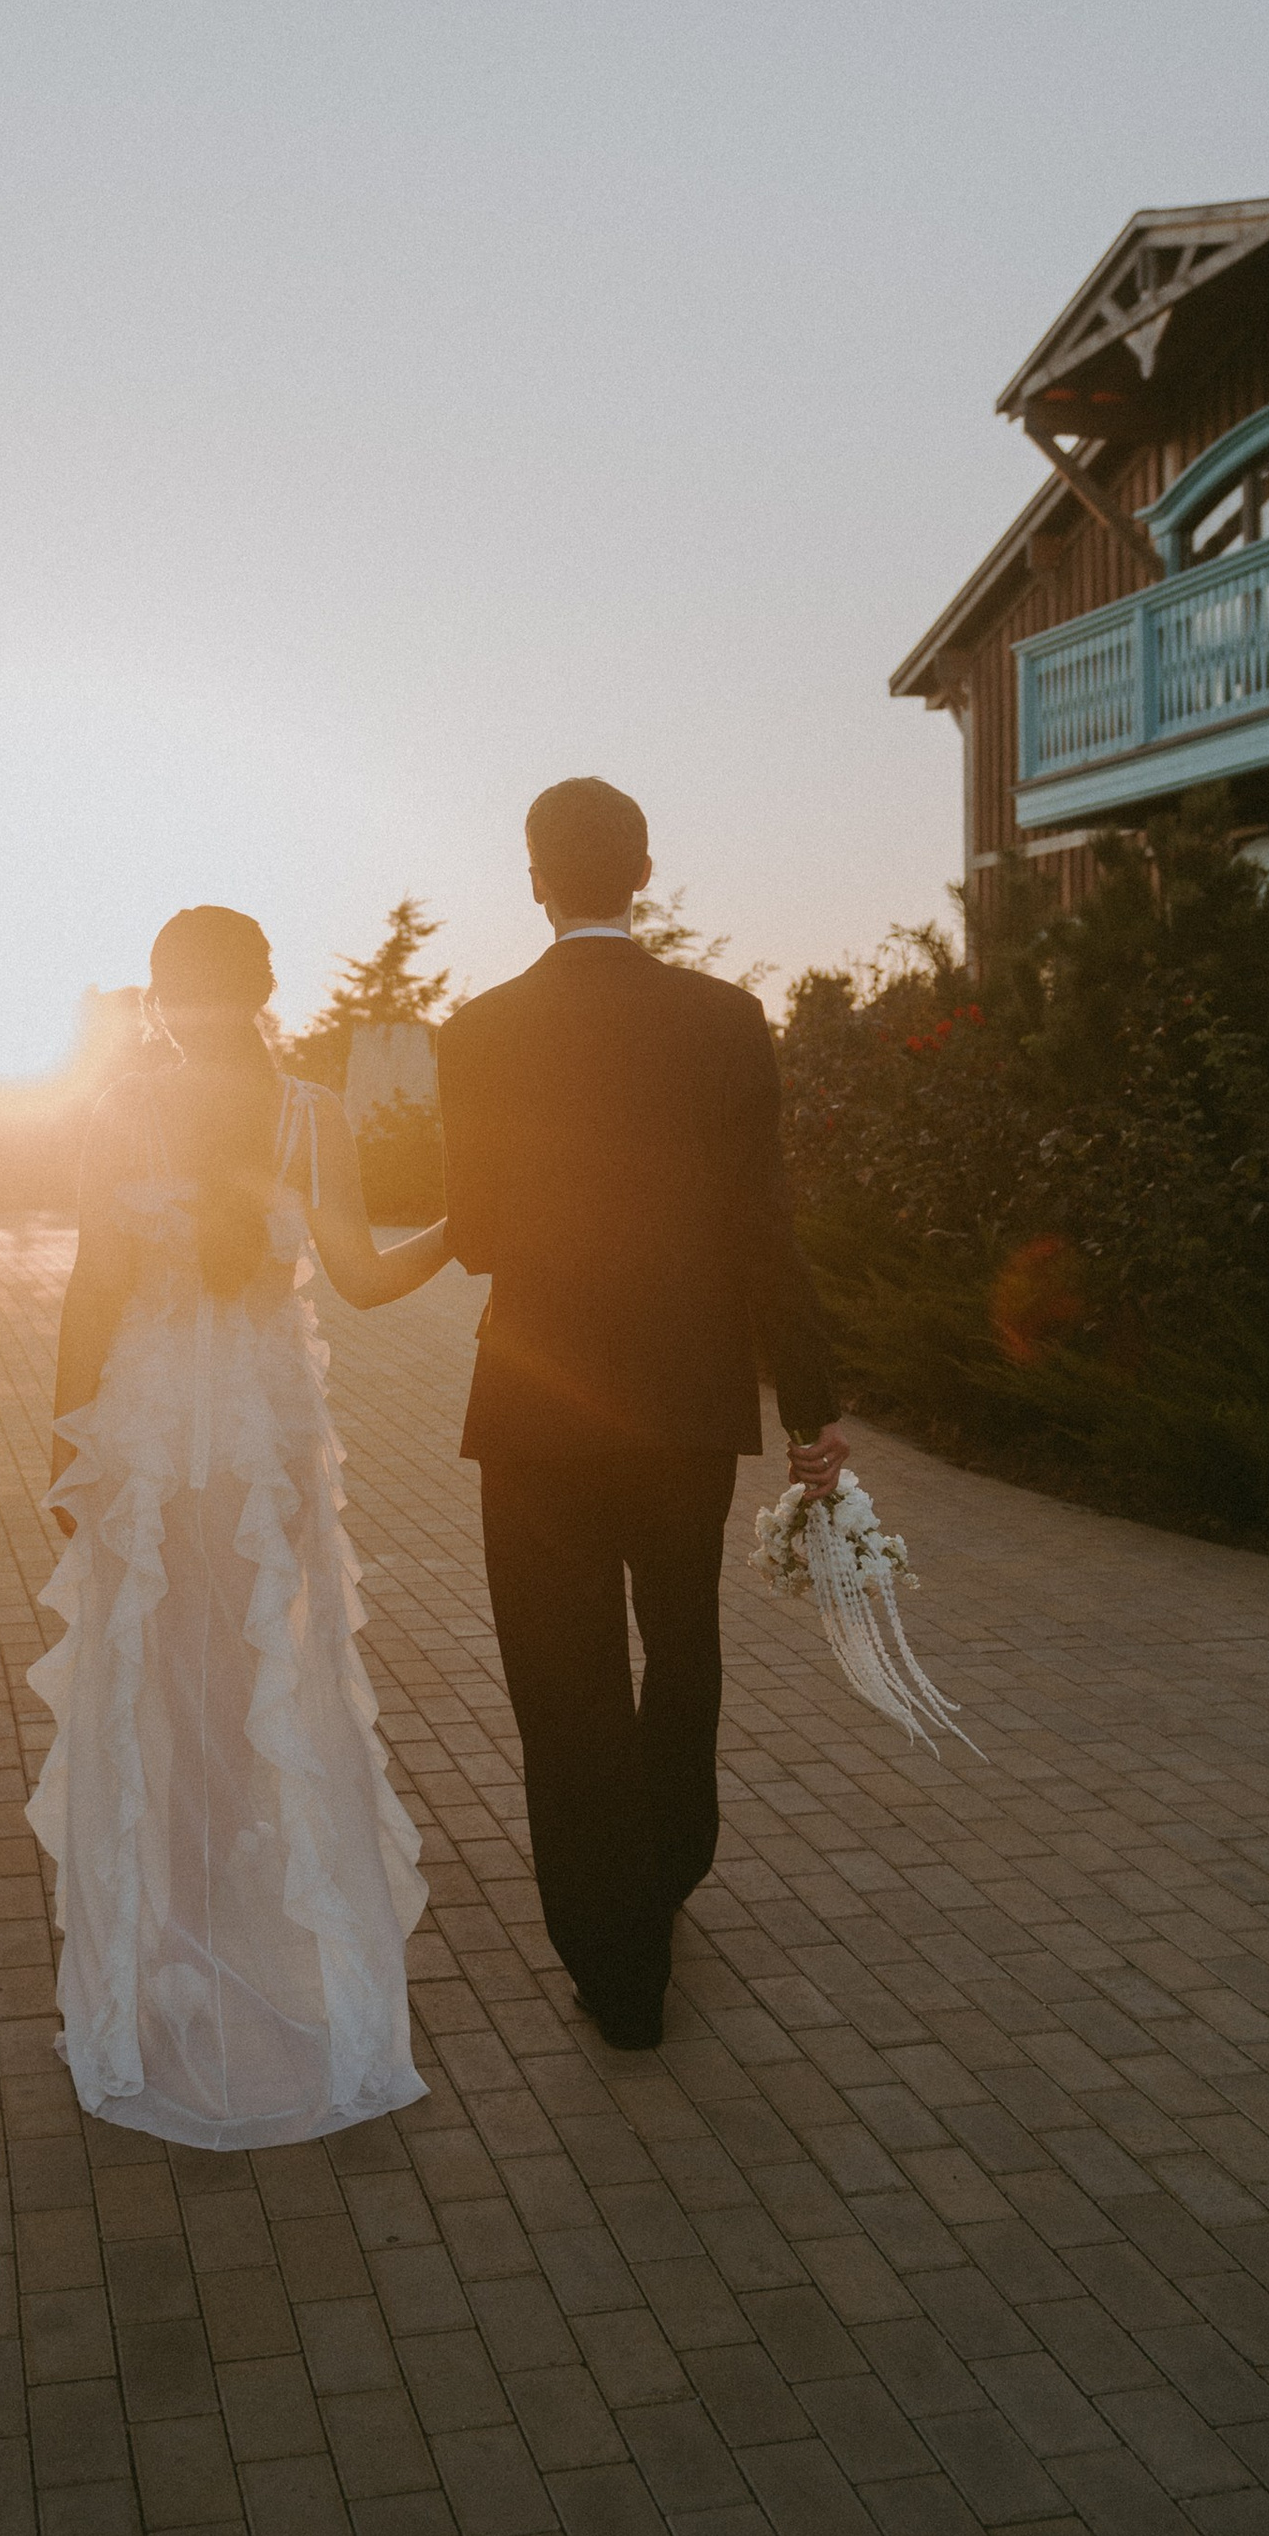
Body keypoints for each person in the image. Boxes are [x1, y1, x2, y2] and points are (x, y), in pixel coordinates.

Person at [29, 907, 448, 2148]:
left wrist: (61, 1449)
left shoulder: (118, 1110)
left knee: (153, 1701)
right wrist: (478, 1227)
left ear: (159, 996)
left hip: (150, 1442)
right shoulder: (310, 1112)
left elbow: (94, 1285)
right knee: (268, 1692)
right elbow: (364, 1279)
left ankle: (166, 1980)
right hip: (263, 1449)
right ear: (267, 987)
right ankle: (252, 1966)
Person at [436, 778, 844, 2051]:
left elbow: (482, 1234)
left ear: (534, 879)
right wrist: (815, 1403)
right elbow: (763, 1223)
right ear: (646, 870)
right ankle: (667, 1868)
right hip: (684, 1403)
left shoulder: (480, 1028)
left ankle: (613, 1965)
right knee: (679, 1642)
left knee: (560, 1681)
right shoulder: (724, 1018)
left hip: (537, 1405)